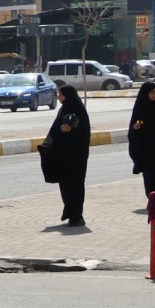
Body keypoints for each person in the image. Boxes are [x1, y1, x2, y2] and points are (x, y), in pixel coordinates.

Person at [42, 83, 92, 226]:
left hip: (76, 156)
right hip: (64, 156)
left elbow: (83, 134)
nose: (59, 97)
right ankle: (70, 212)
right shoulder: (64, 109)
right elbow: (55, 130)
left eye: (61, 94)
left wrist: (71, 131)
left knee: (76, 184)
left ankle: (77, 215)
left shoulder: (78, 110)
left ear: (67, 95)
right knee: (65, 185)